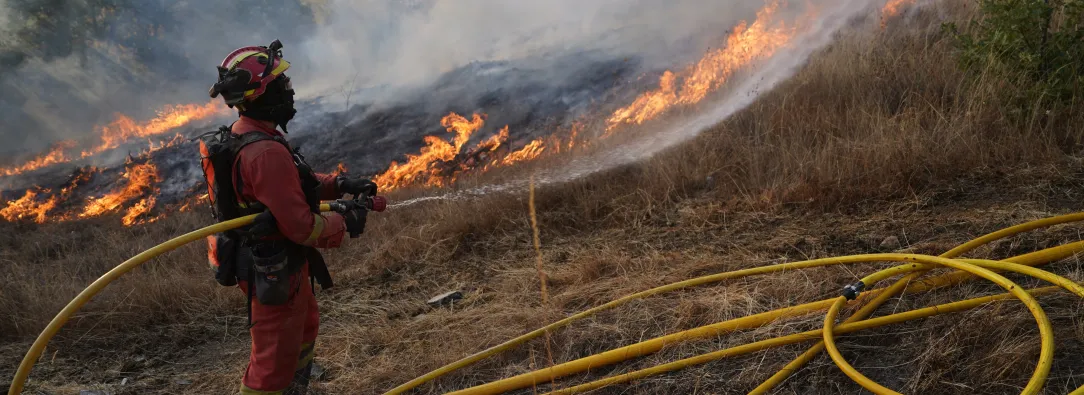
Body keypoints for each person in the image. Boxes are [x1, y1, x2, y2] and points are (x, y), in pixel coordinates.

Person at [206, 40, 377, 395]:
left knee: (303, 329)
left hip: (283, 266)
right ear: (260, 93)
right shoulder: (264, 152)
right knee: (271, 365)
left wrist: (338, 184)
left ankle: (295, 390)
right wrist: (346, 220)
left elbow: (291, 184)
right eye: (282, 83)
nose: (290, 90)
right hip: (273, 268)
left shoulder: (253, 136)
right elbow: (302, 226)